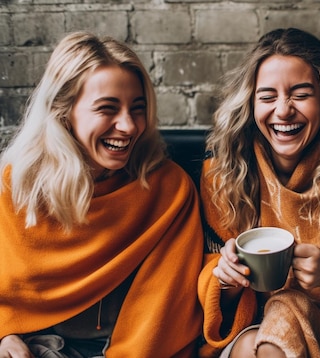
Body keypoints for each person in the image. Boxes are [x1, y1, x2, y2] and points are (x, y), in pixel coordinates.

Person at [0, 32, 204, 357]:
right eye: (107, 108)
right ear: (63, 111)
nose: (128, 126)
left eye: (138, 109)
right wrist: (5, 335)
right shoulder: (16, 185)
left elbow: (163, 310)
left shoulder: (169, 189)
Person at [197, 27, 320, 357]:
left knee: (286, 307)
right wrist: (225, 281)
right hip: (248, 333)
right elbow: (206, 278)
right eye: (268, 97)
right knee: (253, 340)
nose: (283, 110)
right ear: (250, 104)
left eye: (300, 94)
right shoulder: (222, 172)